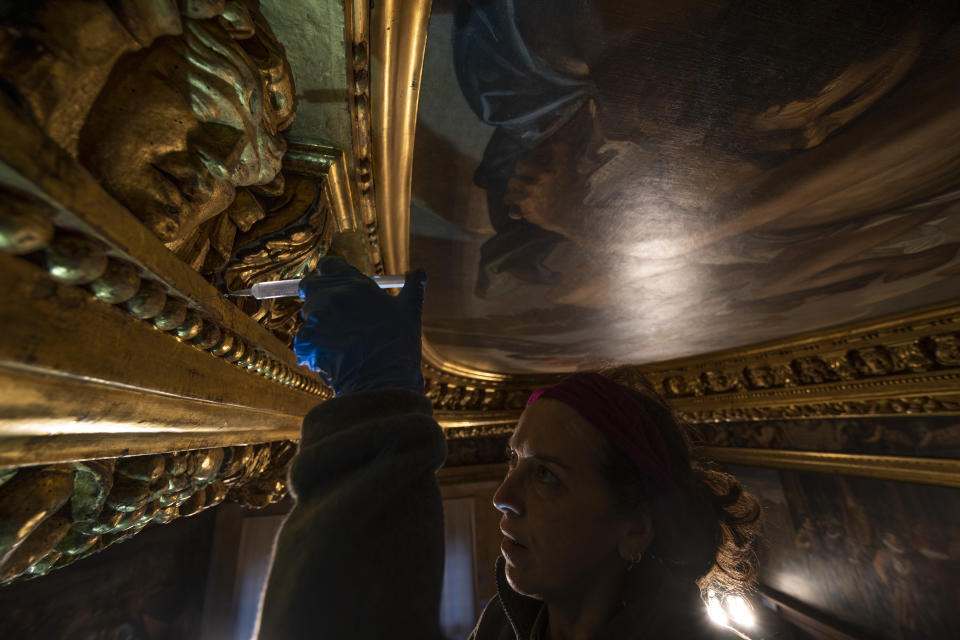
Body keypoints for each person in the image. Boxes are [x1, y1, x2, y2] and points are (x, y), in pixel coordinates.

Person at [255, 256, 761, 640]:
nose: (503, 495)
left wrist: (375, 398)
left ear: (635, 527)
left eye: (547, 476)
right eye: (514, 460)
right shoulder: (507, 622)